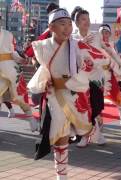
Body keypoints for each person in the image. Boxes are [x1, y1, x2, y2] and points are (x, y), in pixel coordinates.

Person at [28, 8, 103, 179]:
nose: (67, 28)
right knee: (59, 135)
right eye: (62, 24)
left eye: (69, 24)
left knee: (82, 129)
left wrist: (87, 65)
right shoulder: (43, 46)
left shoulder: (76, 45)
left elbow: (97, 60)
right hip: (54, 95)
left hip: (75, 94)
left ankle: (92, 132)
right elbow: (39, 64)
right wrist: (45, 77)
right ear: (51, 27)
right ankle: (61, 176)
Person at [71, 7, 121, 147]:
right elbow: (69, 56)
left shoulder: (96, 36)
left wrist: (120, 63)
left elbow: (109, 49)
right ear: (77, 23)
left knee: (96, 107)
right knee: (84, 107)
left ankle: (95, 134)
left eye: (88, 19)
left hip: (97, 77)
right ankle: (86, 136)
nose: (87, 22)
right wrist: (80, 43)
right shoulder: (73, 39)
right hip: (81, 78)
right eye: (83, 19)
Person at [0, 16, 38, 132]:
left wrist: (22, 59)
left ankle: (31, 119)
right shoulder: (8, 34)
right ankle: (31, 119)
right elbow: (13, 53)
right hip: (10, 67)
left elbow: (13, 53)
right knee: (19, 94)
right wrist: (21, 59)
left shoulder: (8, 34)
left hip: (10, 67)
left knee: (20, 95)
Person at [99, 24, 121, 126]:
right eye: (103, 32)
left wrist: (120, 72)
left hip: (110, 74)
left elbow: (116, 59)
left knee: (118, 96)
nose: (105, 34)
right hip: (98, 76)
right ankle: (97, 124)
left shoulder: (112, 45)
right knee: (97, 101)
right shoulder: (96, 44)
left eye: (107, 32)